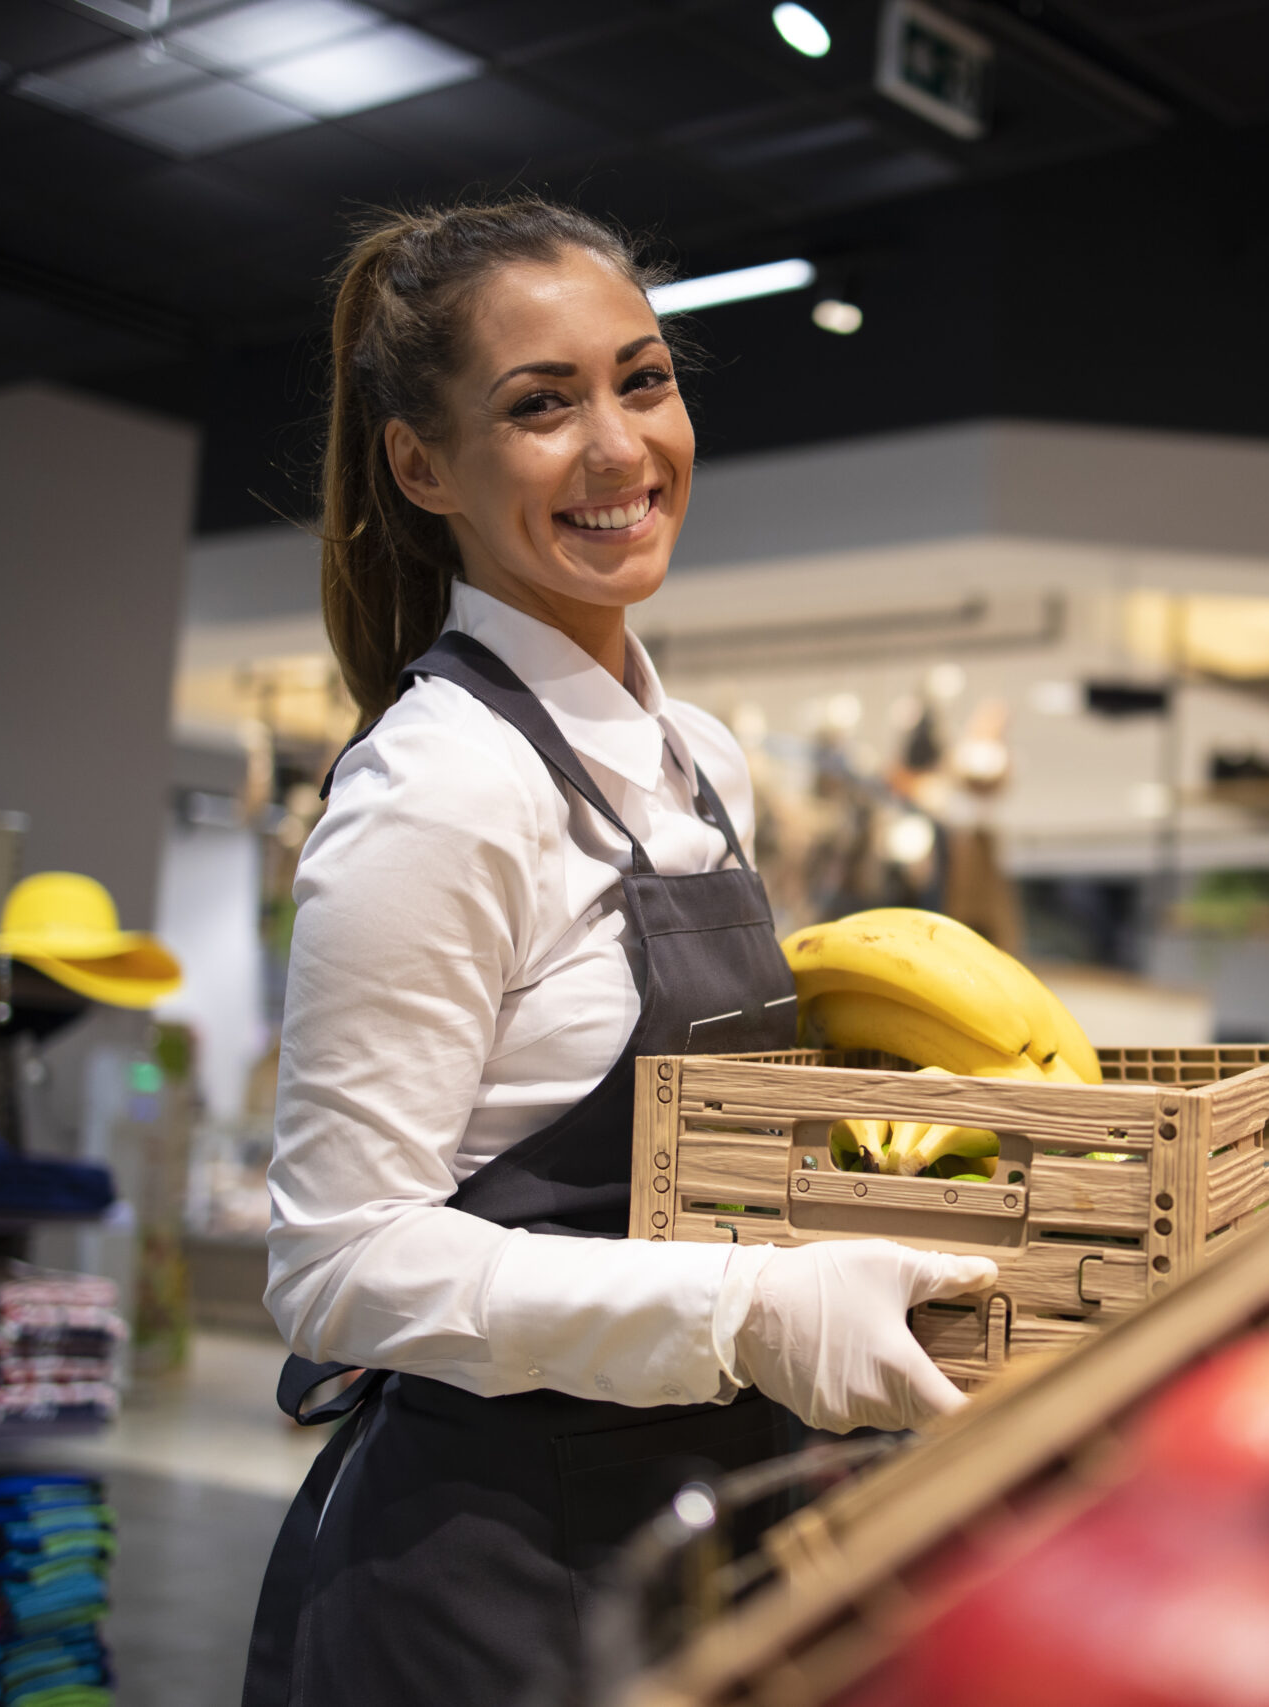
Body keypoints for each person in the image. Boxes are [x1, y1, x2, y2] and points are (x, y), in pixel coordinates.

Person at [241, 199, 997, 1707]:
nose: (616, 448)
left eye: (641, 381)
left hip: (700, 1535)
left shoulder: (700, 759)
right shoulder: (439, 789)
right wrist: (747, 1313)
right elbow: (336, 1265)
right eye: (540, 406)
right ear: (421, 465)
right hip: (485, 1588)